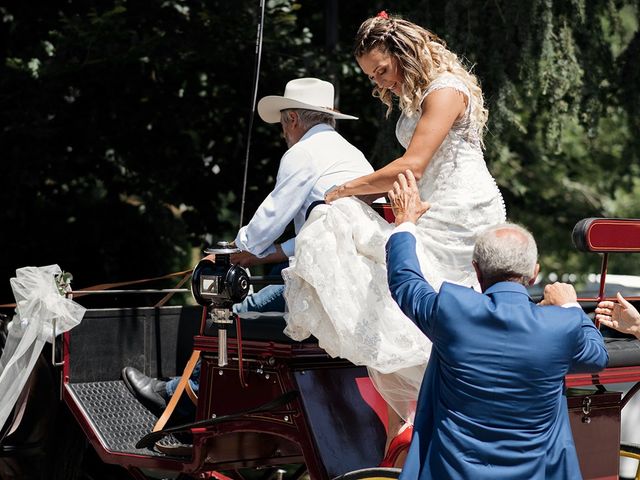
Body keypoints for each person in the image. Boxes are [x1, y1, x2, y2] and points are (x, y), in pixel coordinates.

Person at [281, 12, 505, 460]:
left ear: (404, 52)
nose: (380, 82)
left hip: (461, 213)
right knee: (390, 285)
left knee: (395, 282)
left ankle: (440, 418)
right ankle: (408, 438)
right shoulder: (421, 93)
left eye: (383, 70)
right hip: (428, 208)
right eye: (371, 76)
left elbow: (412, 166)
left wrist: (344, 189)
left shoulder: (444, 90)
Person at [122, 77, 374, 418]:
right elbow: (328, 232)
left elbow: (273, 214)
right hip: (354, 284)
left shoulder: (304, 153)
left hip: (328, 285)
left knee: (233, 319)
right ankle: (187, 390)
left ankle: (181, 398)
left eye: (283, 123)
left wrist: (233, 251)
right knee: (255, 302)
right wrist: (264, 254)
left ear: (292, 119)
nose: (283, 132)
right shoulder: (351, 155)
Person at [385, 170, 608, 479]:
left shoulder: (453, 310)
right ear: (534, 273)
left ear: (476, 270)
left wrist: (405, 222)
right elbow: (596, 356)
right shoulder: (563, 324)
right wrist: (570, 304)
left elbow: (405, 283)